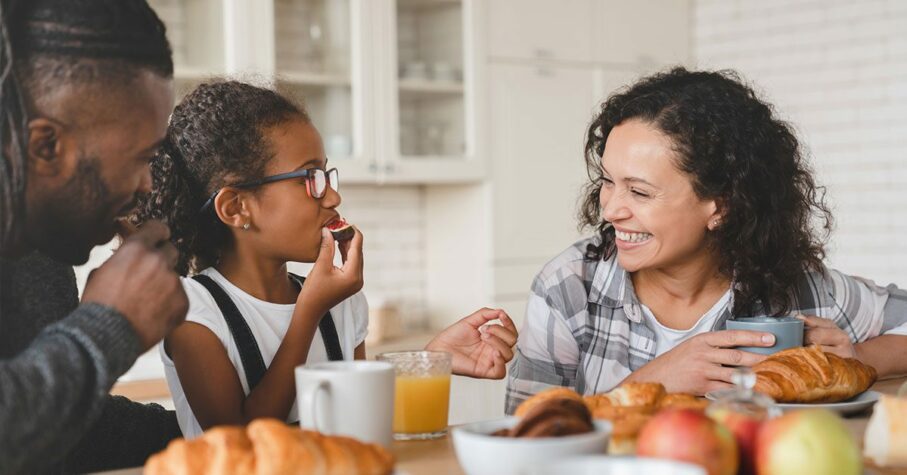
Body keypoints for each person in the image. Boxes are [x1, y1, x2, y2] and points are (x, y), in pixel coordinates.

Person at [505, 67, 907, 413]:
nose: (610, 211)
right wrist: (651, 384)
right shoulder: (569, 287)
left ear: (721, 206)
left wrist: (860, 359)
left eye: (640, 192)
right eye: (608, 182)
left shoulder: (798, 287)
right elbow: (521, 437)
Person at [131, 80, 518, 437]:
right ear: (236, 208)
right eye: (309, 179)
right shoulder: (192, 313)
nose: (332, 198)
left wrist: (430, 359)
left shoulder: (342, 304)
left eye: (327, 177)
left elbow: (362, 421)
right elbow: (244, 441)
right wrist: (309, 312)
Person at [0, 0, 188, 472]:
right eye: (142, 157)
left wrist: (226, 435)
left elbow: (63, 432)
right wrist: (109, 326)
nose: (147, 185)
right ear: (47, 146)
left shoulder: (39, 258)